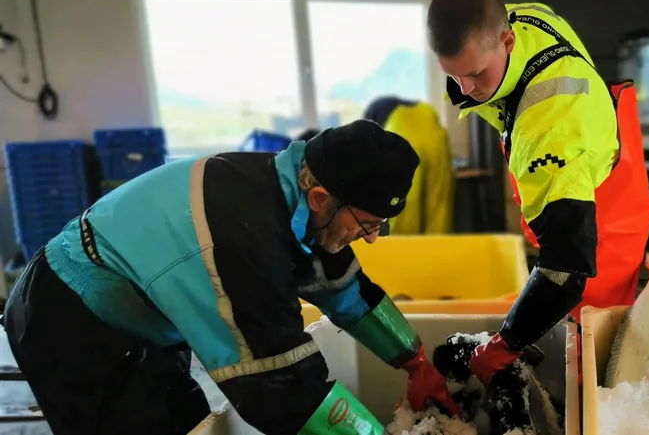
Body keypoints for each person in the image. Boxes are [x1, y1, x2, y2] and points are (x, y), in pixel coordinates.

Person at [2, 120, 460, 435]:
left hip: (142, 317)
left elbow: (341, 285)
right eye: (365, 226)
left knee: (186, 418)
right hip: (67, 316)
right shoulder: (243, 238)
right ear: (321, 197)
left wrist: (415, 363)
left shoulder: (292, 197)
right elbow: (280, 389)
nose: (372, 239)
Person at [426, 0, 649, 384]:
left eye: (476, 74)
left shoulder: (553, 132)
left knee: (592, 345)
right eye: (453, 76)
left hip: (604, 216)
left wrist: (505, 344)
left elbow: (566, 270)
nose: (466, 91)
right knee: (553, 310)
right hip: (582, 155)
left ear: (508, 41)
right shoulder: (517, 18)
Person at [363, 96, 455, 235]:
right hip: (434, 133)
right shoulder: (418, 107)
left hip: (403, 133)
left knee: (406, 206)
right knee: (439, 204)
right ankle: (437, 253)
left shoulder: (371, 117)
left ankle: (405, 253)